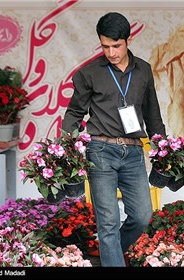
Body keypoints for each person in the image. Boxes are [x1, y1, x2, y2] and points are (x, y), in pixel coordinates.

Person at [62, 12, 166, 267]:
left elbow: (153, 113)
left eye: (116, 46)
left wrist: (163, 150)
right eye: (105, 46)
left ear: (127, 40)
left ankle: (111, 255)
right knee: (107, 222)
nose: (110, 52)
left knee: (142, 216)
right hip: (99, 151)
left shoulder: (143, 70)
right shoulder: (89, 73)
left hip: (132, 152)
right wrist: (66, 149)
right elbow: (75, 112)